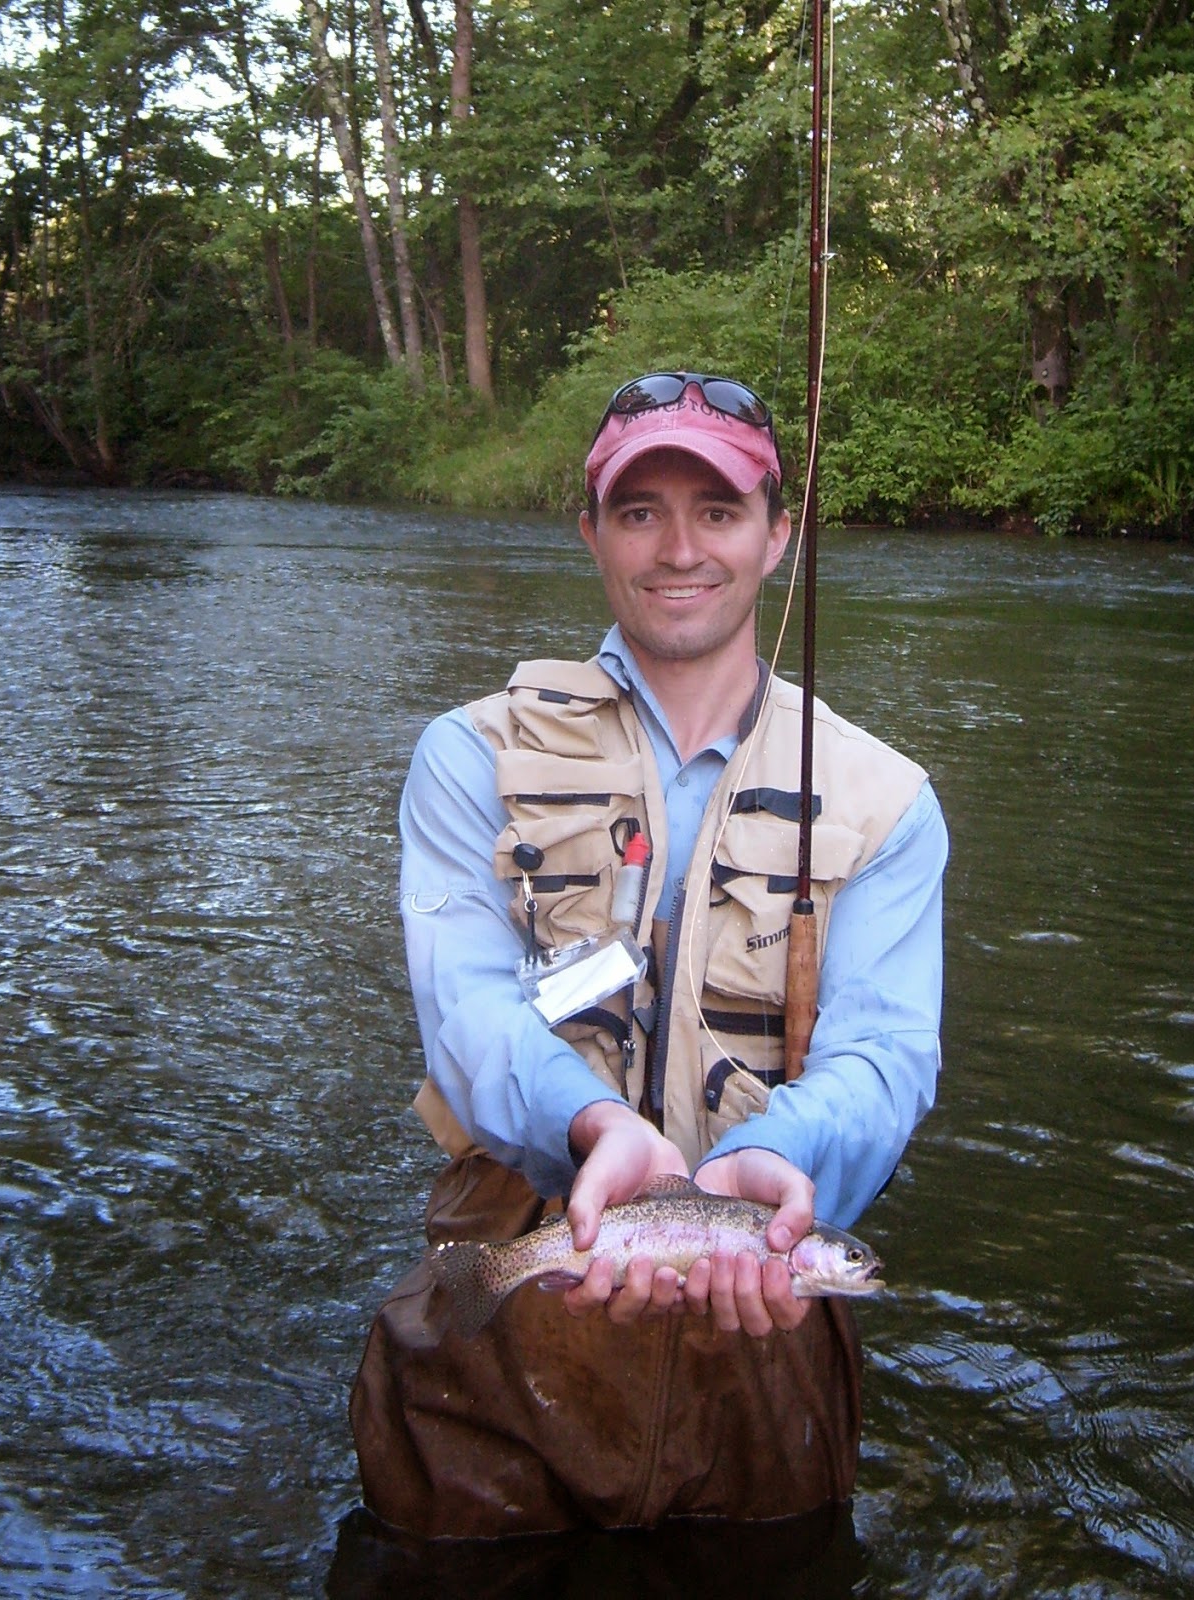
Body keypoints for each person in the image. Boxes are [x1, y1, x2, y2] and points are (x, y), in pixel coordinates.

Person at [350, 371, 948, 1538]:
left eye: (717, 511)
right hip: (517, 1295)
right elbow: (464, 1006)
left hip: (762, 1306)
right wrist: (592, 1127)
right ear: (591, 534)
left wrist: (776, 1152)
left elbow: (887, 1052)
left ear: (779, 535)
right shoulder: (468, 756)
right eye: (639, 511)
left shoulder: (888, 803)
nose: (680, 548)